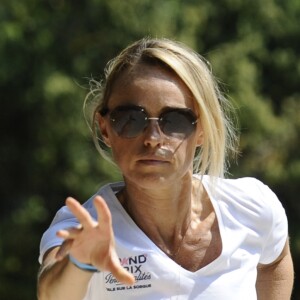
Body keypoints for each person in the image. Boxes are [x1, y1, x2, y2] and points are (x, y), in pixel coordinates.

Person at [37, 38, 294, 300]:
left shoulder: (250, 207)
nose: (152, 137)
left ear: (203, 129)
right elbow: (51, 294)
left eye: (175, 120)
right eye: (130, 119)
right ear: (105, 129)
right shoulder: (84, 226)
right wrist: (80, 263)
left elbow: (275, 261)